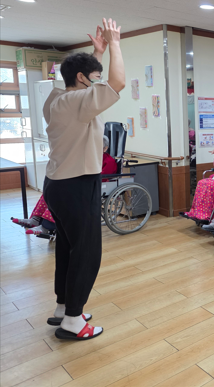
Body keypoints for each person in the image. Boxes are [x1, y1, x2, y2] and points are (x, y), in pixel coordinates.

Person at [42, 19, 124, 341]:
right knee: (87, 252)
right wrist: (114, 43)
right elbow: (118, 82)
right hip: (77, 184)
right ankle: (74, 321)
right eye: (94, 77)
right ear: (81, 78)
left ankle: (64, 307)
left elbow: (87, 81)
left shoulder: (56, 99)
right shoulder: (77, 102)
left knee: (68, 247)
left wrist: (96, 53)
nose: (98, 83)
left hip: (57, 184)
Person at [12, 135, 118, 237]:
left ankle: (47, 226)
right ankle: (35, 219)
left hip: (94, 187)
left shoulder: (109, 161)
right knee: (51, 191)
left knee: (63, 195)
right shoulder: (88, 157)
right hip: (80, 184)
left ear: (105, 148)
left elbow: (101, 178)